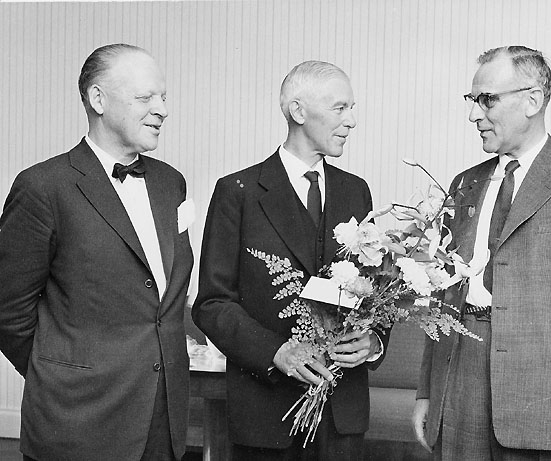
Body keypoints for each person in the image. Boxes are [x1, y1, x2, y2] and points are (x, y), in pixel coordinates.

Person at [412, 45, 551, 461]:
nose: (474, 114)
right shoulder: (463, 183)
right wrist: (428, 392)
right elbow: (442, 295)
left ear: (533, 100)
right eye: (471, 100)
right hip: (460, 391)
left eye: (487, 100)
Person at [0, 44, 194, 461]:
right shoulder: (43, 187)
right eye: (145, 97)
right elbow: (8, 311)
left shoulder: (171, 183)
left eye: (164, 97)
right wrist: (60, 374)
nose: (162, 109)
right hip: (77, 424)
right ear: (98, 99)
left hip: (163, 422)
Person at [192, 60, 387, 460]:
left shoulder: (357, 191)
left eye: (352, 109)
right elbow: (212, 304)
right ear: (298, 111)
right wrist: (276, 352)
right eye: (340, 108)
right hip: (266, 416)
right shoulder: (238, 192)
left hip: (342, 417)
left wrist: (374, 343)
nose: (351, 121)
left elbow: (377, 293)